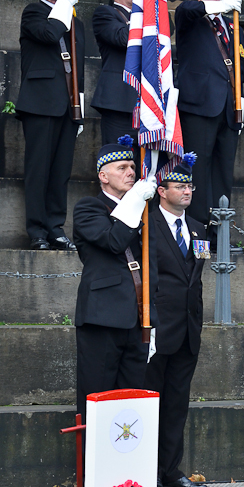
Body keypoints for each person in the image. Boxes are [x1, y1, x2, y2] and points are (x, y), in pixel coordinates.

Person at [73, 136, 158, 421]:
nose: (131, 172)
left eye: (133, 167)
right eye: (122, 167)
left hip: (137, 320)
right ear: (103, 175)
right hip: (103, 318)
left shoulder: (142, 211)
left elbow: (151, 267)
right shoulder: (88, 208)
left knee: (131, 405)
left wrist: (152, 318)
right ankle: (91, 465)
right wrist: (135, 200)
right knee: (97, 399)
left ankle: (126, 465)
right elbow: (113, 241)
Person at [144, 153, 209, 487]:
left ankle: (171, 470)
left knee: (176, 405)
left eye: (190, 186)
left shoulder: (198, 227)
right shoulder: (146, 225)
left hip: (187, 330)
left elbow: (194, 278)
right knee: (151, 400)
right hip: (157, 329)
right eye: (180, 186)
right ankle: (149, 470)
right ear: (160, 190)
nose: (187, 191)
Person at [16, 0, 84, 250]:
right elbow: (47, 34)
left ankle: (55, 227)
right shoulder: (33, 12)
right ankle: (37, 230)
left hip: (68, 105)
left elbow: (77, 68)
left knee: (60, 172)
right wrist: (65, 5)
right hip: (41, 102)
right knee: (39, 169)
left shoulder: (75, 23)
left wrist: (78, 103)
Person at [175, 0, 244, 245]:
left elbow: (240, 62)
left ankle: (220, 232)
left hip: (228, 106)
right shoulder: (190, 16)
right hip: (200, 105)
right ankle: (198, 229)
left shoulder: (230, 24)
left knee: (223, 171)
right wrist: (219, 6)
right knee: (198, 171)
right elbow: (185, 10)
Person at [91, 0, 140, 166]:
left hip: (147, 103)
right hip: (120, 102)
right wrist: (143, 14)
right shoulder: (106, 13)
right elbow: (122, 39)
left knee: (147, 167)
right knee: (120, 164)